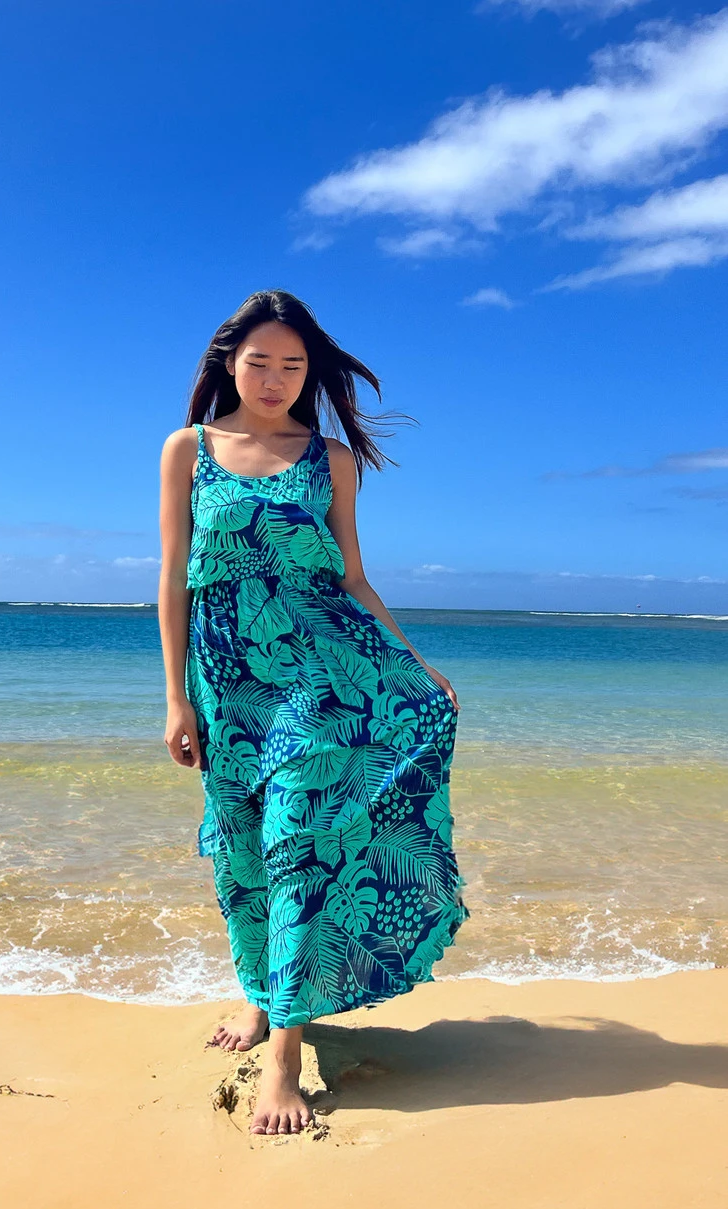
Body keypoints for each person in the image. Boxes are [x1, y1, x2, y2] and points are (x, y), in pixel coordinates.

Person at [158, 289, 470, 1136]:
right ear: (229, 363)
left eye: (292, 366)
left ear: (310, 373)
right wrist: (177, 696)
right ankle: (261, 995)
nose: (275, 379)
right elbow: (174, 577)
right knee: (245, 848)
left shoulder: (330, 458)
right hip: (226, 685)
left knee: (297, 845)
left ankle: (284, 1059)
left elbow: (352, 576)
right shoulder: (189, 449)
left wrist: (414, 662)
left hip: (321, 683)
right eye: (259, 362)